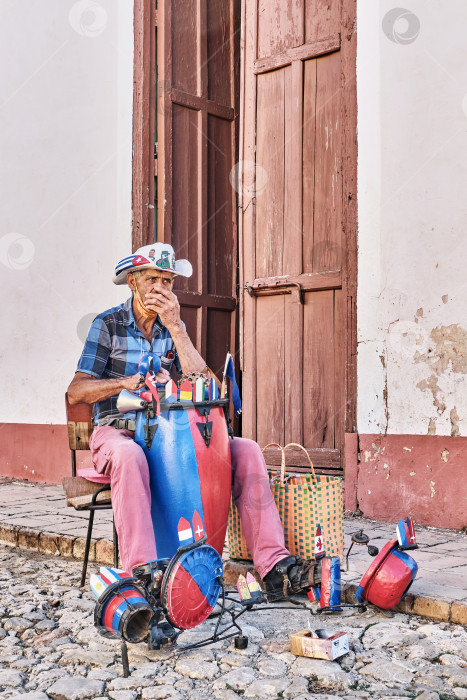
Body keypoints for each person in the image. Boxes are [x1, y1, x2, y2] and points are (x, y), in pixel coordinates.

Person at [67, 243, 321, 606]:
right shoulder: (107, 324)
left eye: (167, 281)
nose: (160, 287)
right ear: (132, 283)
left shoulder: (173, 328)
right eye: (152, 278)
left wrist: (176, 327)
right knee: (127, 456)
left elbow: (207, 383)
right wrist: (122, 383)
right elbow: (77, 391)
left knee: (245, 449)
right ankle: (144, 575)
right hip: (119, 430)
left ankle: (275, 568)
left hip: (171, 436)